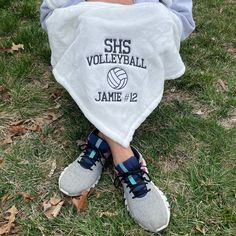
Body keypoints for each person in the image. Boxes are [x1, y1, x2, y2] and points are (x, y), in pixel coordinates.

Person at [40, 0, 195, 233]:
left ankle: (103, 138)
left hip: (145, 22)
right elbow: (52, 12)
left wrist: (131, 9)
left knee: (152, 22)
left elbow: (181, 18)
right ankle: (123, 155)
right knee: (92, 23)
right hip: (90, 21)